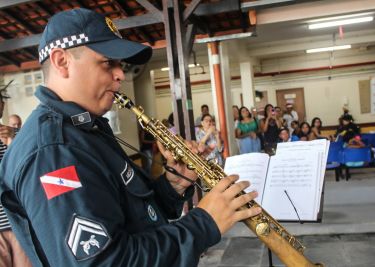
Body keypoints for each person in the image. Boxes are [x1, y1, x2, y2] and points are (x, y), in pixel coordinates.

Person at [0, 9, 261, 267]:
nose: (120, 74)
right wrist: (204, 223)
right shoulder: (52, 152)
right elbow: (105, 262)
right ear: (61, 61)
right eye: (107, 62)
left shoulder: (86, 129)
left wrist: (174, 184)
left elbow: (133, 215)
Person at [0, 90, 33, 267]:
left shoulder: (20, 137)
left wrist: (12, 142)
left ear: (2, 105)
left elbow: (25, 178)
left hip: (21, 224)